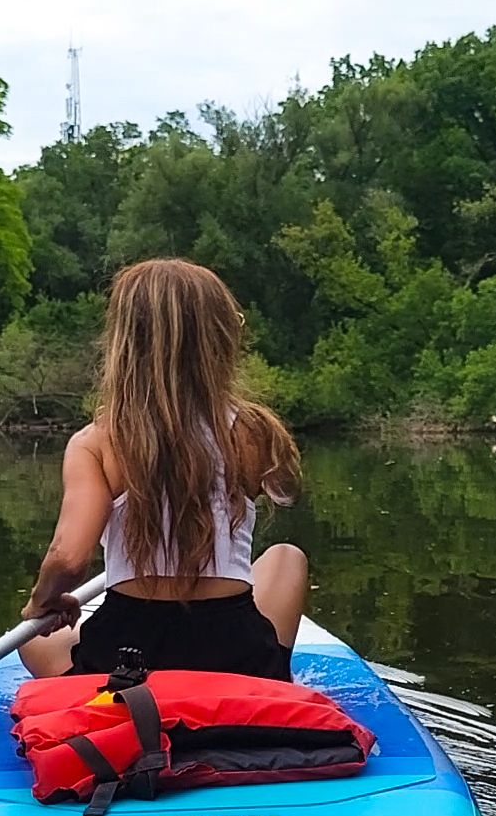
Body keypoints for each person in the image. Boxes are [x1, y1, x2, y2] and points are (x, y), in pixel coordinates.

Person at [19, 258, 308, 681]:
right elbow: (286, 491)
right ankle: (263, 679)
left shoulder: (95, 442)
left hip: (124, 661)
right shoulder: (256, 432)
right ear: (220, 340)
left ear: (124, 343)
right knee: (287, 556)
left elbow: (67, 559)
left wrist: (40, 604)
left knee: (31, 636)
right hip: (236, 657)